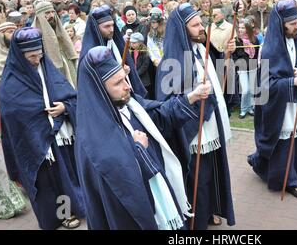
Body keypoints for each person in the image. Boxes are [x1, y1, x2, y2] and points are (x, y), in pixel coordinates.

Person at [75, 46, 211, 229]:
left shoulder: (131, 104)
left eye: (125, 78)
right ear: (99, 90)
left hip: (160, 195)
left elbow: (160, 116)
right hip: (135, 214)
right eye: (117, 83)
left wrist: (191, 97)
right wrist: (137, 148)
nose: (128, 86)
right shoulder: (91, 133)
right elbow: (115, 180)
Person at [156, 3, 235, 230]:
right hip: (192, 131)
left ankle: (210, 209)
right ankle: (196, 222)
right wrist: (192, 97)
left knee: (211, 173)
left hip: (211, 126)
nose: (202, 28)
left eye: (202, 23)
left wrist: (226, 55)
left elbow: (217, 79)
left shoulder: (202, 49)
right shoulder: (171, 62)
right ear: (182, 29)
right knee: (197, 180)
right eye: (195, 25)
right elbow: (166, 104)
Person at [0, 27, 85, 229]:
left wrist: (65, 107)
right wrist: (39, 115)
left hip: (60, 135)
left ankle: (76, 207)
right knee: (50, 182)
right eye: (31, 56)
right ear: (20, 55)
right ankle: (62, 215)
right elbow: (11, 113)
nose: (37, 60)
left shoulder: (48, 70)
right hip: (35, 143)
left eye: (39, 55)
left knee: (66, 177)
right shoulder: (10, 83)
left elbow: (71, 96)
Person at [248, 0, 297, 200]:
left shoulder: (293, 40)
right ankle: (289, 181)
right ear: (281, 23)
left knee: (293, 138)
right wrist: (292, 81)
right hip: (277, 103)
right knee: (283, 141)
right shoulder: (270, 49)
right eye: (292, 23)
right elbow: (266, 84)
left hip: (292, 100)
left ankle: (264, 165)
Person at [0, 22, 26, 219]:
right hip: (5, 109)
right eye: (9, 32)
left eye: (14, 31)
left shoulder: (20, 50)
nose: (12, 35)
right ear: (1, 34)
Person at [80, 5, 147, 97]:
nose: (111, 29)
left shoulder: (115, 43)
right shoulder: (90, 52)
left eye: (112, 25)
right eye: (106, 26)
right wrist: (119, 72)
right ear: (96, 28)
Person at [32, 0, 78, 88]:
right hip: (49, 69)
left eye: (53, 12)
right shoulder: (34, 35)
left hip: (66, 65)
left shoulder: (59, 29)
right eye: (47, 13)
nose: (52, 16)